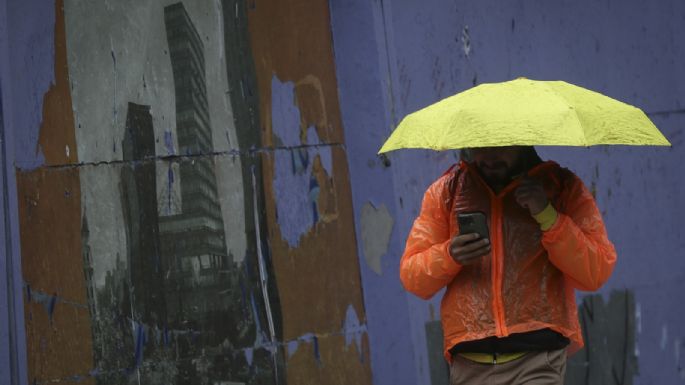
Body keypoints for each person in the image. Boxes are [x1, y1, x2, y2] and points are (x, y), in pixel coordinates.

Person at [399, 146, 616, 385]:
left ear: (521, 140)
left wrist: (547, 215)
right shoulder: (447, 191)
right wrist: (450, 255)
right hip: (470, 362)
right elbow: (413, 276)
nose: (489, 157)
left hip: (537, 358)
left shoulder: (561, 186)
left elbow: (596, 270)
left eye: (500, 146)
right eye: (480, 146)